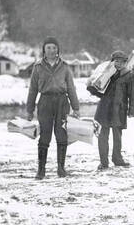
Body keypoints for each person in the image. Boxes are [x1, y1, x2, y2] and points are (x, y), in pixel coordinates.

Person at [26, 36, 80, 180]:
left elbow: (71, 88)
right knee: (45, 135)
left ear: (58, 50)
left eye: (54, 48)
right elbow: (32, 90)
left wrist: (76, 107)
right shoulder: (37, 67)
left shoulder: (65, 66)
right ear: (44, 49)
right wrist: (29, 110)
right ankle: (41, 170)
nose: (51, 50)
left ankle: (61, 168)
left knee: (61, 134)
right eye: (48, 47)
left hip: (62, 103)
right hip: (45, 102)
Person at [89, 50, 134, 170]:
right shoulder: (106, 74)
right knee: (102, 136)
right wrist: (92, 88)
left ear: (126, 63)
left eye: (121, 62)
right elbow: (98, 91)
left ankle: (117, 159)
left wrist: (131, 110)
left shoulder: (129, 75)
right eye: (116, 61)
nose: (118, 64)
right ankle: (103, 161)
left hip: (119, 109)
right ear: (111, 62)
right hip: (104, 108)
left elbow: (132, 94)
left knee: (117, 136)